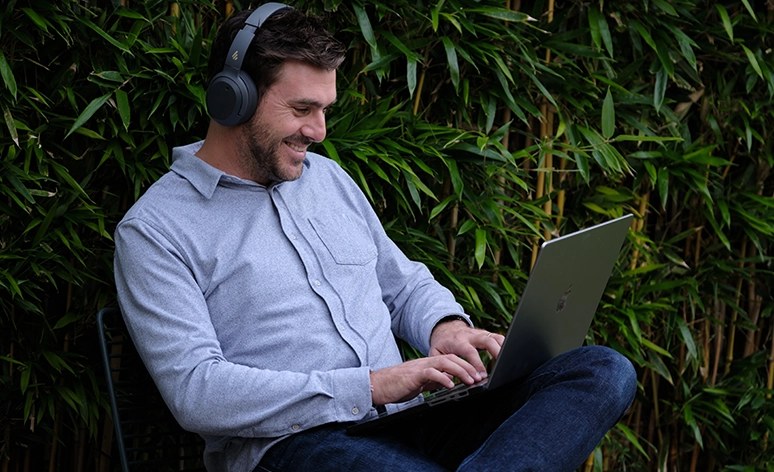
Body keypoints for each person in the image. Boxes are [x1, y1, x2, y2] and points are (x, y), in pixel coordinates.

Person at [113, 4, 637, 472]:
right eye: (301, 110)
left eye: (324, 110)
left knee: (603, 370)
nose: (319, 131)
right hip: (294, 447)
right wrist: (371, 384)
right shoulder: (155, 231)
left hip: (412, 422)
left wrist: (445, 326)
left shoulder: (328, 180)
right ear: (233, 98)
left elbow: (402, 285)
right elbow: (196, 391)